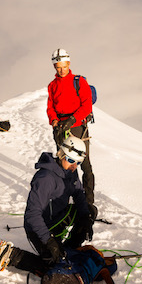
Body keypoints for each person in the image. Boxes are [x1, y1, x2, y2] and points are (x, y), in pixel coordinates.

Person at [0, 135, 95, 274]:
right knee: (53, 267)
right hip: (39, 227)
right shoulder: (45, 179)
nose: (74, 166)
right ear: (61, 154)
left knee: (90, 211)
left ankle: (67, 249)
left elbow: (79, 194)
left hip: (58, 217)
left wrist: (86, 219)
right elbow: (32, 215)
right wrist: (49, 241)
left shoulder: (71, 172)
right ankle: (12, 255)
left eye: (78, 163)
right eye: (70, 160)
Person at [46, 48, 97, 218]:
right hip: (60, 125)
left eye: (63, 66)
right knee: (65, 164)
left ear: (68, 63)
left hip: (76, 125)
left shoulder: (79, 81)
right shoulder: (52, 85)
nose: (60, 70)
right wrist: (54, 121)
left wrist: (72, 120)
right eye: (57, 67)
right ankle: (65, 198)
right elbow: (50, 106)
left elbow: (86, 105)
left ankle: (88, 202)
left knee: (84, 162)